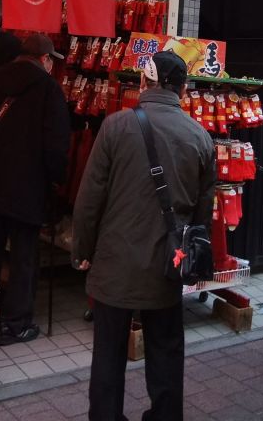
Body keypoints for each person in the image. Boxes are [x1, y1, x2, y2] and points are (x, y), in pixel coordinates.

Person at [72, 51, 215, 421]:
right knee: (166, 349)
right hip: (168, 262)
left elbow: (90, 198)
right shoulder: (200, 137)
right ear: (184, 89)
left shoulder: (115, 126)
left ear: (142, 83)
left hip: (114, 261)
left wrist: (82, 249)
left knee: (108, 351)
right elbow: (202, 215)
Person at [0, 32, 70, 346]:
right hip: (29, 187)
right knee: (24, 257)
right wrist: (56, 181)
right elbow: (56, 145)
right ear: (44, 59)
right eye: (51, 61)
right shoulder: (49, 90)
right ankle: (15, 324)